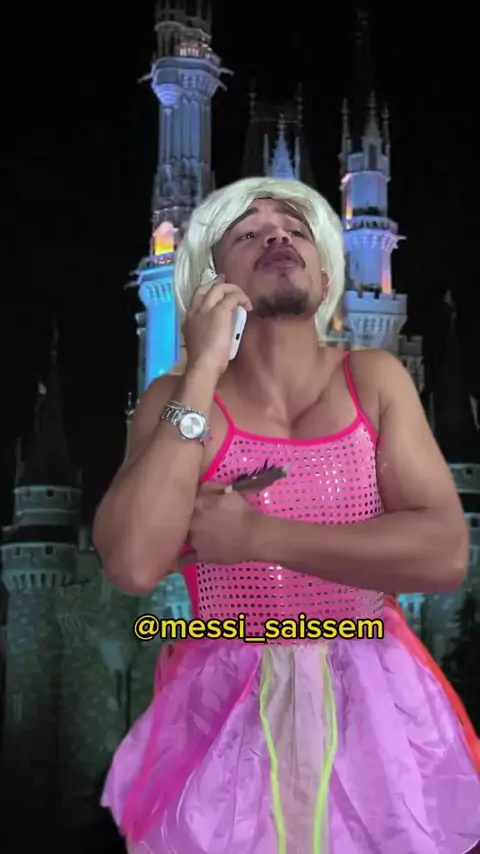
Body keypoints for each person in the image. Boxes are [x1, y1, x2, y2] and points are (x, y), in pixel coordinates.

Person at [94, 176, 480, 854]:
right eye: (250, 233)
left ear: (327, 274)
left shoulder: (373, 379)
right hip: (223, 713)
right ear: (211, 282)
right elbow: (131, 562)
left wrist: (256, 535)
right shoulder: (176, 401)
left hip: (375, 706)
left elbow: (444, 553)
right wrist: (202, 369)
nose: (277, 236)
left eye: (296, 230)